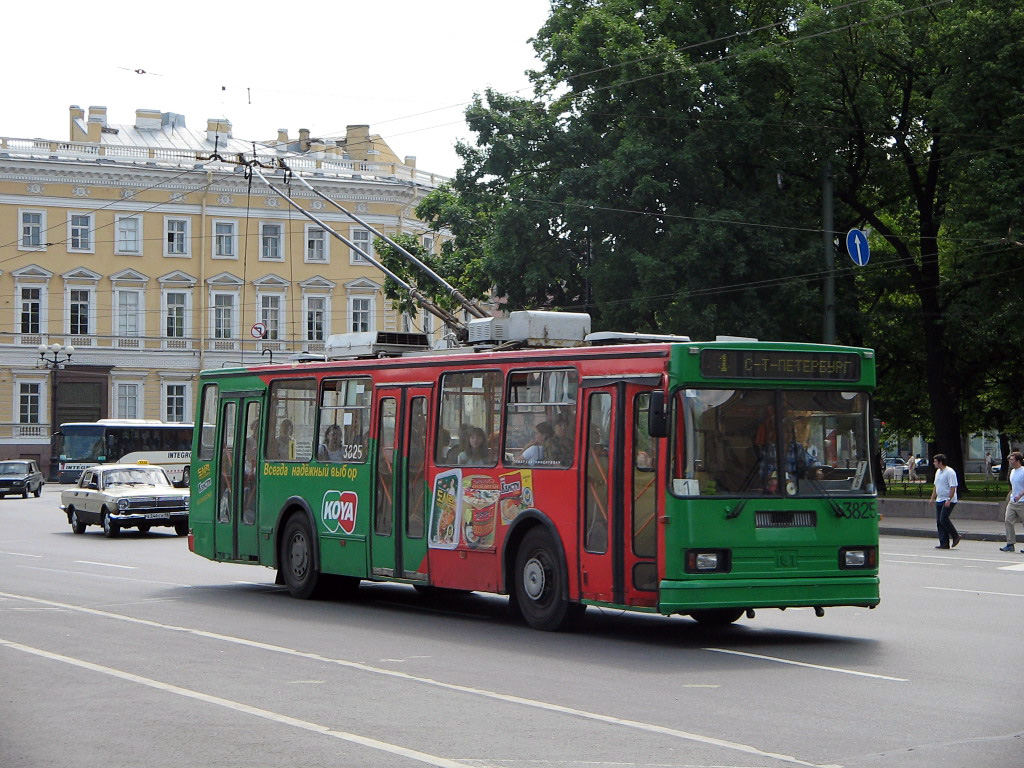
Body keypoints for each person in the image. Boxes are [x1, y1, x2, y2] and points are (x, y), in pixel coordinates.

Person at [929, 453, 960, 549]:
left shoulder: (950, 472)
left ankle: (955, 536)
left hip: (948, 500)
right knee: (939, 521)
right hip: (939, 499)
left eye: (935, 461)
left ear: (940, 462)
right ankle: (944, 543)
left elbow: (953, 487)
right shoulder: (938, 472)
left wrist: (949, 499)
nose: (934, 463)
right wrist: (932, 498)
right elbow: (936, 486)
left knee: (943, 519)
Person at [999, 450, 1024, 552]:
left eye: (1012, 459)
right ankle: (1010, 543)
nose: (1010, 461)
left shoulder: (1023, 471)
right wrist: (1012, 496)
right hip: (1013, 501)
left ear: (1018, 460)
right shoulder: (1012, 472)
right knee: (1008, 521)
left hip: (1023, 501)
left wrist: (1020, 494)